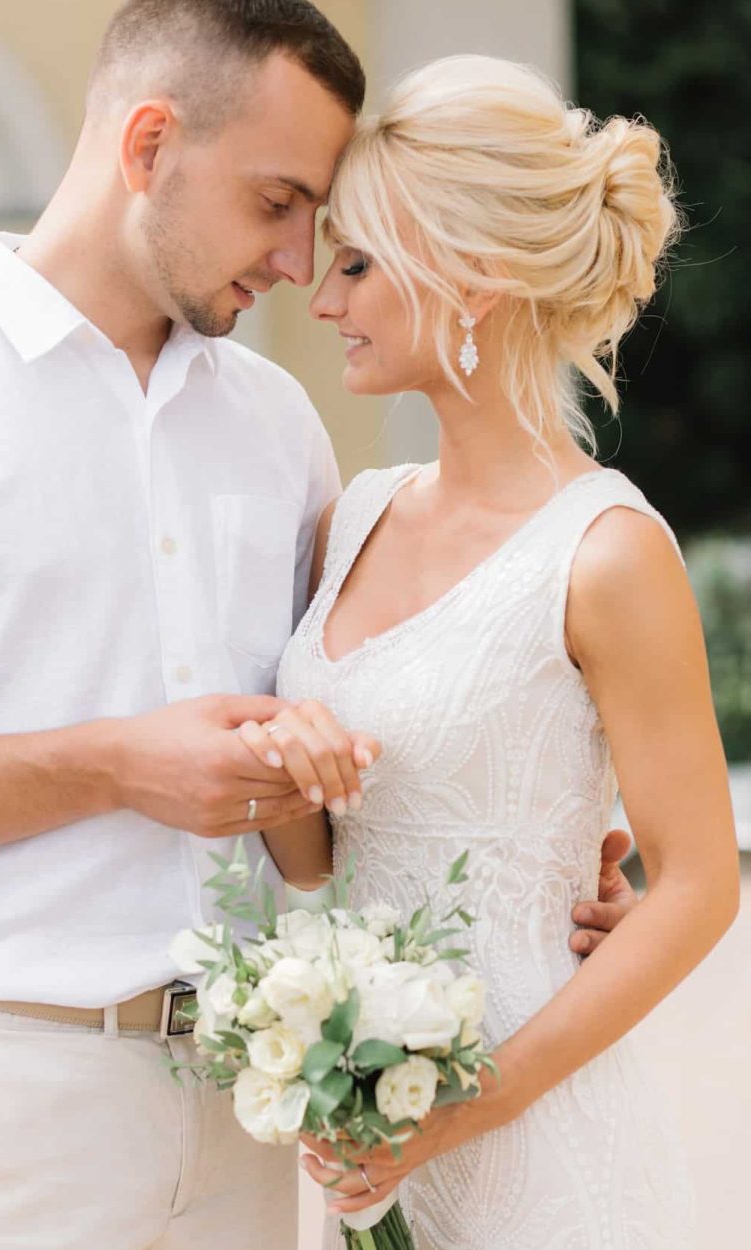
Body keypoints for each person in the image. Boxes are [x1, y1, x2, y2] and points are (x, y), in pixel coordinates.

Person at [0, 4, 633, 1247]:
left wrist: (554, 859)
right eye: (276, 201)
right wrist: (117, 762)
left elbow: (338, 756)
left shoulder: (278, 426)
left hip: (250, 1097)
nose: (295, 259)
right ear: (149, 143)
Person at [238, 54, 739, 1248]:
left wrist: (467, 1105)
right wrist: (269, 769)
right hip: (372, 1131)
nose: (321, 299)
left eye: (356, 265)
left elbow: (701, 884)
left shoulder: (607, 552)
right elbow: (317, 857)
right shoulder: (347, 515)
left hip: (534, 1141)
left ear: (472, 278)